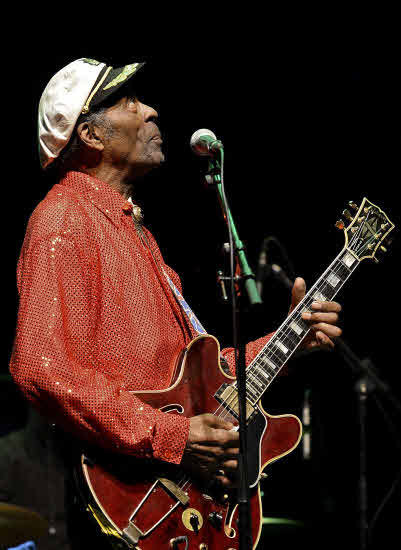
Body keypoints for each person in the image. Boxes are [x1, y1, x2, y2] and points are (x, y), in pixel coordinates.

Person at [9, 58, 342, 548]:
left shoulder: (137, 235)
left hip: (175, 502)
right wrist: (175, 439)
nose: (151, 110)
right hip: (130, 505)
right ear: (92, 135)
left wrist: (290, 340)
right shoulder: (63, 219)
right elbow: (40, 366)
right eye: (129, 103)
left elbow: (197, 381)